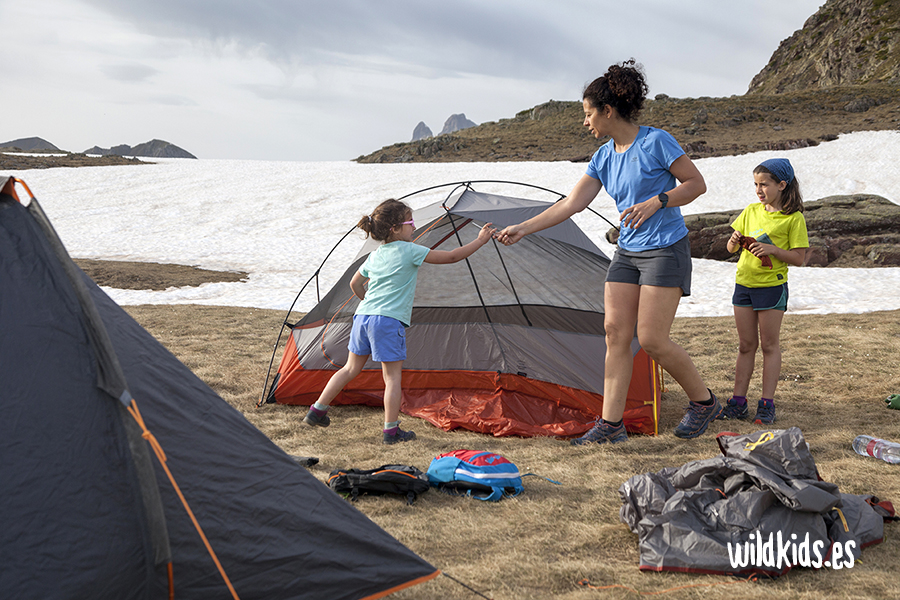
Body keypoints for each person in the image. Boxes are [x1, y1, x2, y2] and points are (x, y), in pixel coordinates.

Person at [496, 59, 719, 444]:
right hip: (628, 253)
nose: (586, 122)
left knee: (651, 339)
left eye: (588, 114)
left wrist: (658, 201)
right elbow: (570, 204)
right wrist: (523, 228)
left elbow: (696, 184)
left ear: (607, 111)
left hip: (665, 248)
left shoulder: (656, 142)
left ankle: (703, 402)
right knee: (615, 332)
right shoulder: (603, 156)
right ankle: (611, 425)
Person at [303, 199, 496, 444]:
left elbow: (354, 284)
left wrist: (370, 302)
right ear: (395, 228)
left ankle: (317, 410)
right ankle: (391, 432)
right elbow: (451, 257)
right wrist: (480, 240)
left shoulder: (375, 255)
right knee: (392, 378)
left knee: (350, 369)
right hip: (387, 321)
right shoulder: (410, 250)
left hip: (362, 317)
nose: (414, 227)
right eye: (410, 222)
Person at [718, 158, 808, 425]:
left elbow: (799, 258)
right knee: (746, 345)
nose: (758, 190)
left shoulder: (794, 218)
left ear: (782, 185)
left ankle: (767, 404)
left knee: (769, 345)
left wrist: (773, 250)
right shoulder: (750, 211)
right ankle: (738, 402)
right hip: (744, 285)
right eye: (756, 184)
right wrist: (733, 241)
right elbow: (730, 250)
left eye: (764, 184)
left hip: (772, 287)